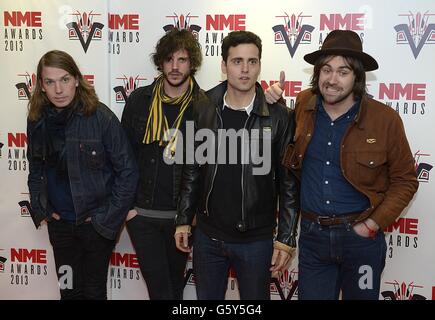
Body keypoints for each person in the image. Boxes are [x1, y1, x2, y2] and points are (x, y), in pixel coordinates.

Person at [268, 30, 419, 299]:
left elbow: (406, 180)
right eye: (326, 70)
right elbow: (287, 146)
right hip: (313, 239)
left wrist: (372, 224)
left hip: (361, 241)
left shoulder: (385, 120)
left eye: (343, 71)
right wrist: (274, 103)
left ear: (357, 77)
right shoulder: (304, 105)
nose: (332, 79)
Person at [174, 30, 299, 300]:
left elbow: (289, 182)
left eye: (252, 62)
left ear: (259, 66)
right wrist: (184, 219)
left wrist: (286, 237)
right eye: (237, 61)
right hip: (208, 237)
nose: (245, 69)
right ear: (223, 66)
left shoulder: (278, 116)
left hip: (256, 240)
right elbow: (192, 168)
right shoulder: (203, 107)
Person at [27, 50, 138, 299]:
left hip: (95, 228)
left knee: (94, 292)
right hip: (60, 227)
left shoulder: (100, 117)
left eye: (65, 79)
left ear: (77, 79)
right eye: (50, 82)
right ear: (41, 86)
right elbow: (35, 168)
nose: (59, 89)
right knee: (68, 291)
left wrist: (105, 219)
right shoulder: (36, 119)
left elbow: (128, 172)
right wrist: (41, 207)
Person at [121, 29, 206, 300]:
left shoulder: (204, 105)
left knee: (174, 290)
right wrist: (129, 210)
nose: (175, 67)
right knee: (160, 291)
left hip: (182, 219)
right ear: (161, 62)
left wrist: (192, 214)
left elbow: (207, 165)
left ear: (192, 63)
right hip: (143, 216)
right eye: (169, 60)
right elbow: (124, 157)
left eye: (182, 60)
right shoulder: (139, 100)